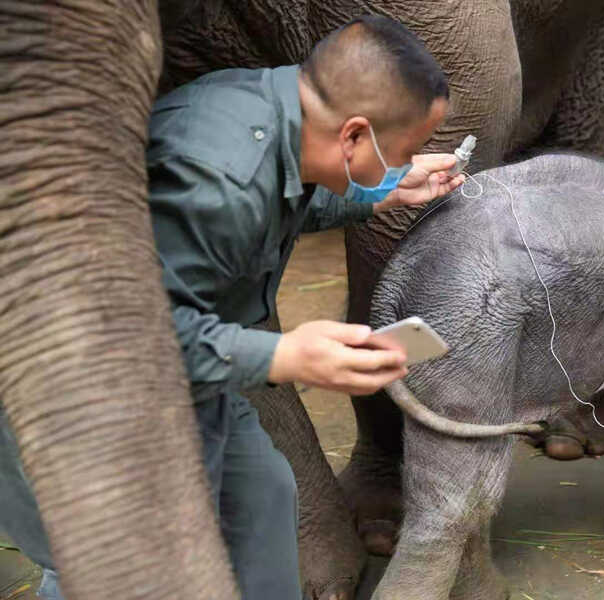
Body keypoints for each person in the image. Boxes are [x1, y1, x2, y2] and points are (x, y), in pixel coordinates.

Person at [0, 14, 463, 600]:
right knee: (109, 562)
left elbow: (282, 203)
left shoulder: (270, 111)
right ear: (352, 136)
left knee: (263, 494)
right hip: (77, 392)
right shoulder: (218, 179)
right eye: (402, 152)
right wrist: (284, 354)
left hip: (189, 378)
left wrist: (384, 189)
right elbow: (132, 342)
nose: (404, 163)